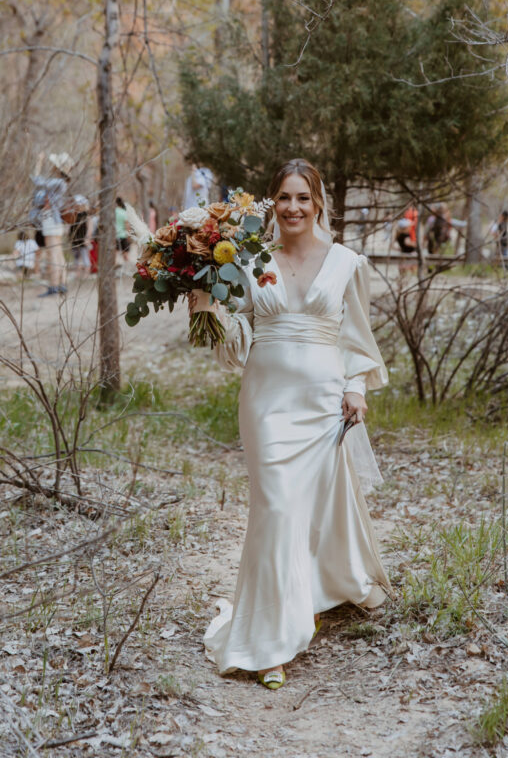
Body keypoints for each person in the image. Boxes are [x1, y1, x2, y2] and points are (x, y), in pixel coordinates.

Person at [192, 158, 390, 690]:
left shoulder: (346, 262)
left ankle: (312, 595)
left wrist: (355, 387)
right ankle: (269, 642)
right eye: (284, 197)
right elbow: (235, 340)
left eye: (304, 198)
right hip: (267, 402)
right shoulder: (251, 259)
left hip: (324, 400)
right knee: (276, 507)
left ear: (318, 203)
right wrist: (204, 305)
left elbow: (357, 338)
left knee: (311, 507)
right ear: (272, 202)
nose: (294, 207)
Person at [31, 152, 73, 296]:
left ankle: (54, 285)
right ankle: (62, 284)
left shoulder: (58, 182)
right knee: (58, 252)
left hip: (50, 219)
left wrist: (39, 162)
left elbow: (38, 181)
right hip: (55, 220)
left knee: (52, 252)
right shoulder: (61, 183)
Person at [115, 197, 131, 261]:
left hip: (115, 235)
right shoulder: (124, 212)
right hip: (123, 235)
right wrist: (129, 235)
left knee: (115, 253)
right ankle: (126, 267)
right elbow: (127, 225)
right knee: (125, 253)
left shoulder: (113, 212)